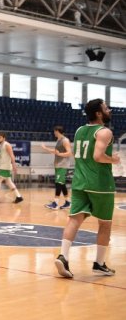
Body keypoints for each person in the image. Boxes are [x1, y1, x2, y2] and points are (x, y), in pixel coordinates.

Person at [55, 99, 119, 278]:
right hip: (100, 184)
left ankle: (64, 256)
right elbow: (98, 156)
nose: (109, 109)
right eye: (106, 108)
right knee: (105, 224)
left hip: (79, 182)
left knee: (74, 220)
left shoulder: (79, 130)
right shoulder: (104, 132)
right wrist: (113, 159)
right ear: (99, 113)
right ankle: (99, 263)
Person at [41, 125, 72, 210]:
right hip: (58, 165)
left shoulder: (65, 140)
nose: (54, 133)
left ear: (58, 131)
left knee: (58, 183)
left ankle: (55, 203)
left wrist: (60, 154)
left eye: (54, 131)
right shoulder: (58, 140)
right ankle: (68, 202)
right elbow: (55, 152)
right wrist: (45, 148)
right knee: (62, 184)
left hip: (63, 165)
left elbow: (69, 153)